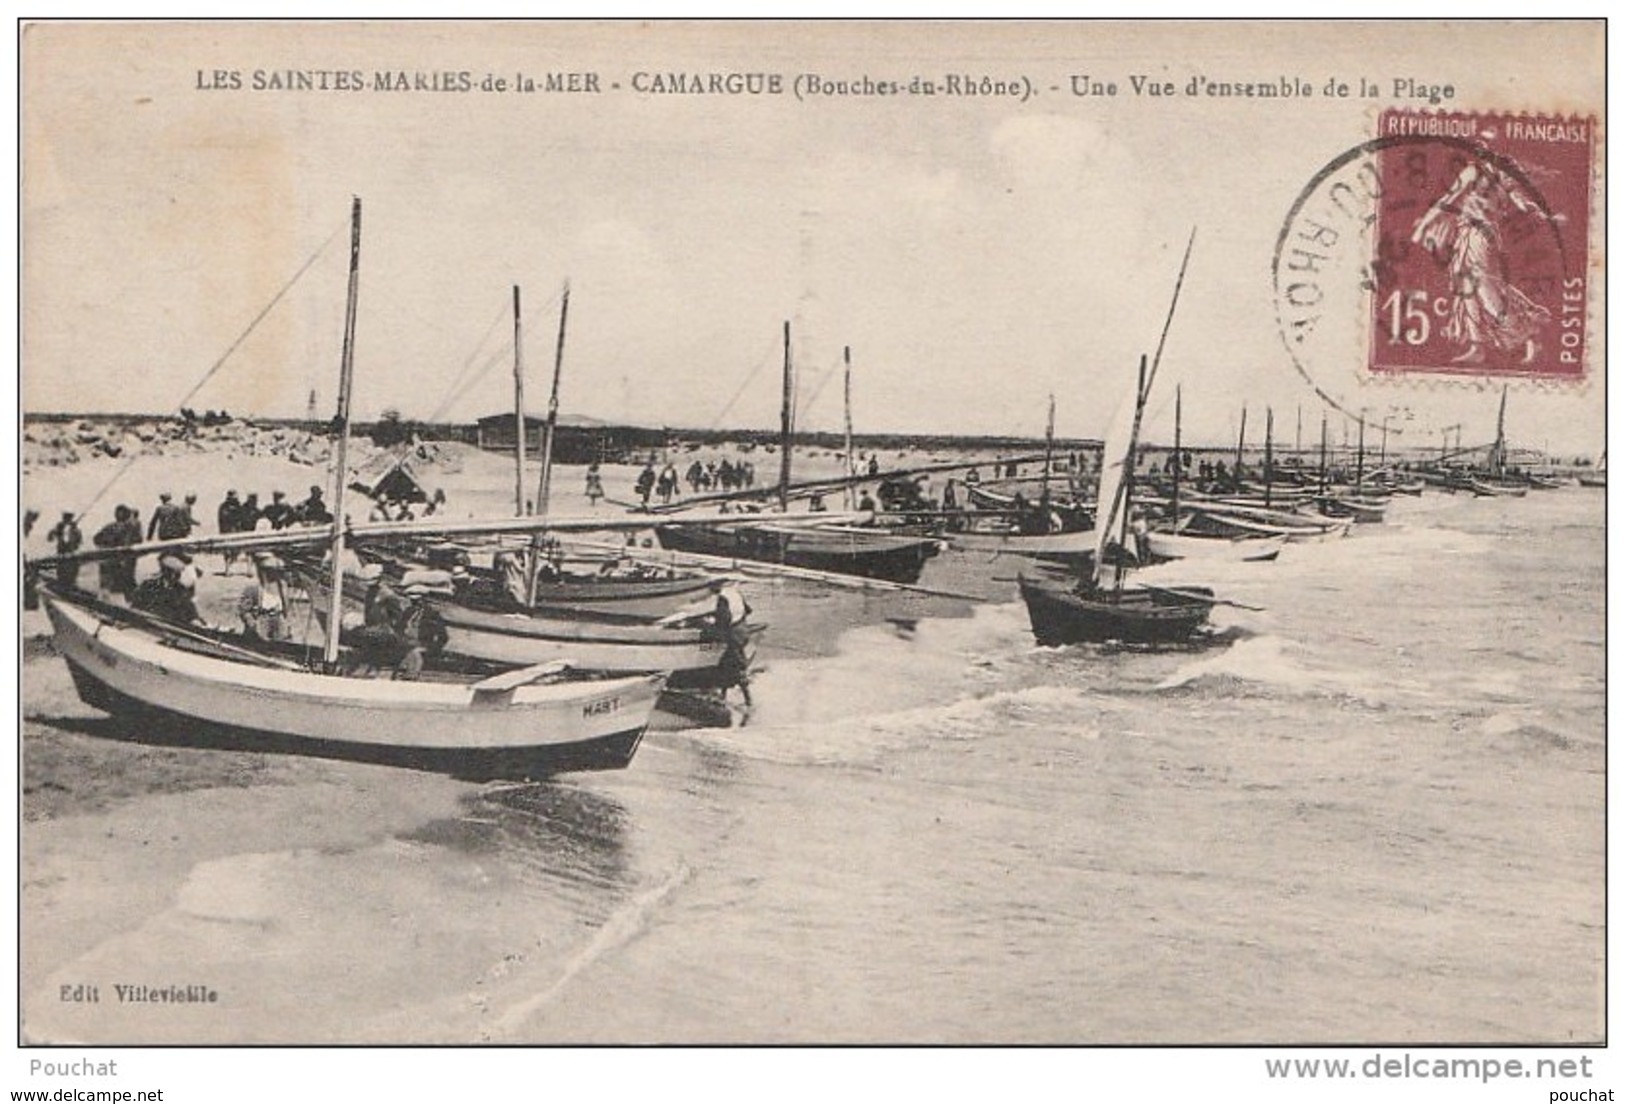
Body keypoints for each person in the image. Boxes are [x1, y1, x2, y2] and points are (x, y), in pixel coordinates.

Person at [130, 554, 204, 626]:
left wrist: (196, 620)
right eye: (174, 574)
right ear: (165, 572)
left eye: (178, 574)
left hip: (172, 629)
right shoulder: (149, 585)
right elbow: (135, 610)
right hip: (150, 629)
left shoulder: (180, 589)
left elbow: (189, 611)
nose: (176, 577)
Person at [712, 587, 753, 707]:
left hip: (732, 636)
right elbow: (748, 610)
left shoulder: (722, 598)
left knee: (731, 662)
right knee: (730, 663)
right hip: (743, 630)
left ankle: (748, 701)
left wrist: (710, 622)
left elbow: (724, 619)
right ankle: (724, 696)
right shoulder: (735, 592)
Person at [237, 553, 289, 642]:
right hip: (262, 619)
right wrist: (253, 624)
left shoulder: (282, 588)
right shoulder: (253, 589)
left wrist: (285, 622)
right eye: (271, 571)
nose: (275, 575)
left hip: (278, 620)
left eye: (278, 572)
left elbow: (285, 610)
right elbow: (243, 610)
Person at [45, 511, 83, 590]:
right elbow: (49, 538)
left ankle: (70, 588)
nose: (67, 519)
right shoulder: (59, 528)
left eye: (68, 518)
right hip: (62, 557)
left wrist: (73, 530)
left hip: (72, 557)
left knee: (71, 577)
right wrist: (56, 530)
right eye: (65, 517)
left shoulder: (76, 530)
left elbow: (78, 543)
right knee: (62, 576)